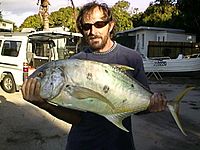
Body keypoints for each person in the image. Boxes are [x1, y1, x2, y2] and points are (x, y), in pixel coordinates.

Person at [22, 2, 167, 150]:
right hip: (82, 144)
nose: (92, 31)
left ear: (110, 25)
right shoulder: (74, 62)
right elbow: (76, 118)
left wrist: (153, 104)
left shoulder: (131, 58)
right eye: (87, 26)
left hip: (120, 145)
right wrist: (43, 104)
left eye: (99, 24)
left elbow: (142, 107)